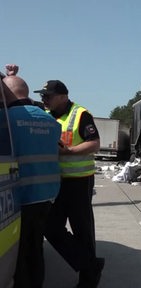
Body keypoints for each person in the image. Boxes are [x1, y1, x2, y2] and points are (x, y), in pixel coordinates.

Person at [36, 80, 104, 288]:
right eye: (43, 96)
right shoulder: (47, 116)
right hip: (57, 182)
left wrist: (69, 151)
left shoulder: (81, 114)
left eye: (48, 96)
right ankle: (90, 265)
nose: (44, 99)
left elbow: (95, 143)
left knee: (82, 229)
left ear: (63, 97)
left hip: (79, 182)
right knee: (50, 227)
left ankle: (88, 279)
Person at [2, 64, 61, 288]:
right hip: (47, 195)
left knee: (19, 253)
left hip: (21, 197)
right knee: (35, 247)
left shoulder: (5, 118)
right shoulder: (50, 121)